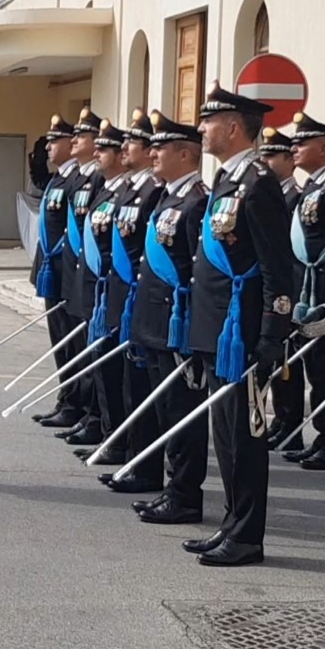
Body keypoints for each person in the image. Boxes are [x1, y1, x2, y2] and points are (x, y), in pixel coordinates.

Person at [183, 85, 297, 567]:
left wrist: (272, 334)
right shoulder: (228, 182)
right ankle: (232, 521)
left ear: (232, 127)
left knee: (245, 438)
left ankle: (248, 535)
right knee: (225, 435)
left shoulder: (258, 183)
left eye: (209, 122)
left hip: (243, 331)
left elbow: (278, 269)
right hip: (218, 329)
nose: (202, 130)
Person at [128, 111, 211, 525]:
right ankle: (170, 488)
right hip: (156, 322)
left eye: (160, 148)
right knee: (165, 411)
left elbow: (200, 270)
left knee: (183, 415)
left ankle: (185, 496)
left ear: (185, 154)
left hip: (176, 324)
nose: (152, 153)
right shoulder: (167, 196)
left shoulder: (197, 200)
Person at [93, 110, 167, 491]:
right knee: (128, 383)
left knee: (141, 385)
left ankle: (144, 463)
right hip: (123, 292)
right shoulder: (126, 191)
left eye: (132, 143)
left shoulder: (154, 191)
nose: (125, 148)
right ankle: (133, 456)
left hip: (143, 296)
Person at [280, 112, 325, 471]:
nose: (294, 148)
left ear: (324, 147)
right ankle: (322, 437)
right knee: (314, 367)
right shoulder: (311, 186)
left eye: (302, 142)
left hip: (322, 288)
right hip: (306, 288)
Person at [52, 108, 108, 443]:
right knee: (69, 345)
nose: (75, 141)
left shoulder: (96, 180)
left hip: (89, 276)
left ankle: (89, 412)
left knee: (87, 351)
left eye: (81, 136)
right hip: (69, 271)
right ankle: (74, 403)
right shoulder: (69, 178)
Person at [79, 120, 132, 459]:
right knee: (102, 365)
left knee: (121, 374)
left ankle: (117, 437)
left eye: (104, 148)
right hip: (102, 288)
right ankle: (106, 430)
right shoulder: (108, 190)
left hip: (121, 292)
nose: (97, 153)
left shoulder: (132, 193)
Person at [30, 116, 84, 428]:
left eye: (55, 142)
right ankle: (67, 397)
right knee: (60, 341)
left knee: (72, 342)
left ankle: (76, 402)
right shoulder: (58, 179)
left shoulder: (77, 180)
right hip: (52, 268)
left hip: (67, 272)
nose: (49, 147)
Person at [258, 126, 306, 450]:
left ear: (290, 160)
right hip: (274, 289)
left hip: (294, 286)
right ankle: (281, 421)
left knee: (291, 362)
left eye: (272, 155)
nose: (265, 160)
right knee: (278, 363)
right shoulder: (268, 193)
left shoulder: (297, 196)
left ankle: (292, 424)